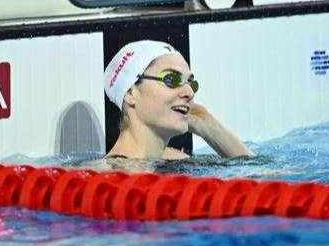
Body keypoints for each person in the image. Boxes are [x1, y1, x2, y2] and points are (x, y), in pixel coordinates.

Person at [103, 40, 254, 160]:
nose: (189, 92)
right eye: (171, 80)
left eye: (190, 82)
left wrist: (207, 125)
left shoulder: (176, 159)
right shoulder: (105, 177)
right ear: (130, 92)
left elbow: (261, 181)